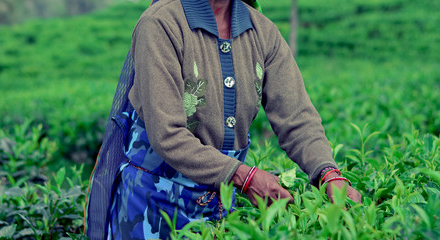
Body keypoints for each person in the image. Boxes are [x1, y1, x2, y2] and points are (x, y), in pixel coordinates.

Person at [84, 0, 362, 239]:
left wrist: (328, 174)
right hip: (152, 206)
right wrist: (245, 177)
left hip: (219, 205)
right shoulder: (161, 24)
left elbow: (297, 119)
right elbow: (167, 134)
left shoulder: (262, 31)